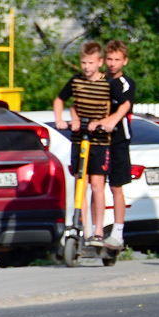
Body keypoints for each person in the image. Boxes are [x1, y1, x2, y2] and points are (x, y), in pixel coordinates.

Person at [52, 42, 114, 249]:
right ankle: (83, 230)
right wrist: (63, 119)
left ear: (99, 62)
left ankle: (98, 231)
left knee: (97, 185)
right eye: (83, 62)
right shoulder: (76, 81)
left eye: (90, 63)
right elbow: (61, 100)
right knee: (82, 184)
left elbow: (120, 105)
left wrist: (106, 123)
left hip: (99, 140)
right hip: (80, 139)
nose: (86, 67)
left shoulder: (107, 82)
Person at [100, 39, 136, 253]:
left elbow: (125, 106)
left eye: (117, 60)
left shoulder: (126, 83)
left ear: (124, 61)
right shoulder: (99, 80)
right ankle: (95, 229)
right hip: (98, 139)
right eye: (110, 59)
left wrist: (111, 121)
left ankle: (118, 232)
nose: (113, 64)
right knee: (95, 185)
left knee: (116, 186)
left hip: (118, 139)